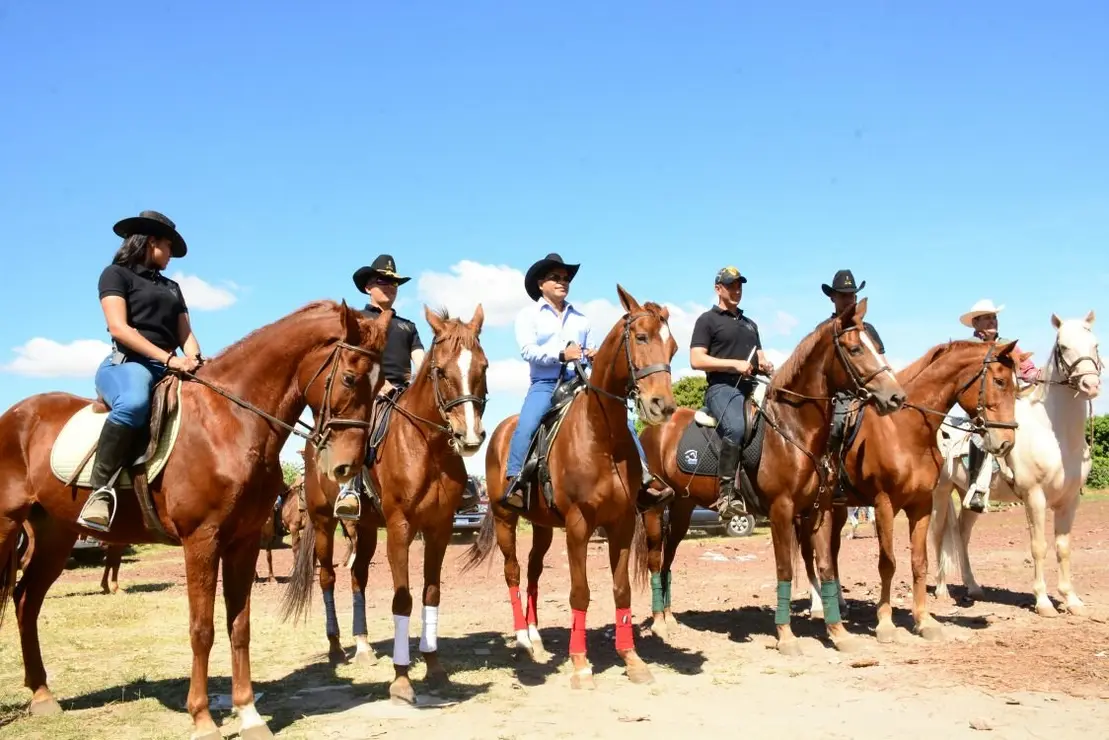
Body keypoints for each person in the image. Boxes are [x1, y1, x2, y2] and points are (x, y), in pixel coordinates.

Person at [501, 253, 674, 513]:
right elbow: (527, 350)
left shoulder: (581, 318)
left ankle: (645, 479)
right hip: (545, 382)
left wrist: (593, 354)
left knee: (623, 420)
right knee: (528, 422)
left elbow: (592, 349)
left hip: (580, 380)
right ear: (540, 284)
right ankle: (515, 481)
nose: (562, 282)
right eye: (555, 277)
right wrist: (561, 354)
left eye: (565, 278)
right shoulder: (529, 315)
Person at [77, 211, 203, 532]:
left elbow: (185, 335)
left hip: (168, 366)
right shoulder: (115, 275)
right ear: (151, 242)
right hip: (128, 364)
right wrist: (170, 360)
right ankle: (100, 490)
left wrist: (195, 360)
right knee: (133, 403)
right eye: (169, 247)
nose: (172, 255)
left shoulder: (173, 287)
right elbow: (119, 329)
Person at [332, 254, 426, 520]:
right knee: (362, 428)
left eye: (394, 282)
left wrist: (424, 384)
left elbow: (421, 360)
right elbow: (349, 360)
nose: (389, 286)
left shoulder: (408, 326)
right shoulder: (357, 319)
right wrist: (378, 384)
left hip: (405, 392)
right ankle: (349, 490)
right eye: (382, 281)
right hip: (369, 392)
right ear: (367, 287)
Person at [689, 266, 776, 519]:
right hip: (722, 388)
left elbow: (759, 357)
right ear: (718, 289)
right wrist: (734, 364)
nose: (736, 290)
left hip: (752, 387)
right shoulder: (707, 320)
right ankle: (726, 495)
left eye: (739, 285)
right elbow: (696, 359)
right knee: (736, 428)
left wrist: (765, 365)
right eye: (731, 285)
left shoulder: (751, 324)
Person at [958, 299, 1037, 513]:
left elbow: (1026, 368)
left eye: (994, 317)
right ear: (975, 324)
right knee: (978, 436)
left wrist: (1035, 375)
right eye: (986, 318)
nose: (992, 321)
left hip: (1008, 403)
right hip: (980, 407)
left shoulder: (1009, 344)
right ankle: (976, 486)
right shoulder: (967, 348)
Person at [822, 269, 885, 505]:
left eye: (852, 295)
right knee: (837, 424)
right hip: (839, 396)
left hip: (871, 392)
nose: (848, 300)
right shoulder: (825, 329)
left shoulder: (868, 329)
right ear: (833, 298)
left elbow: (881, 361)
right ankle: (833, 477)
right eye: (842, 295)